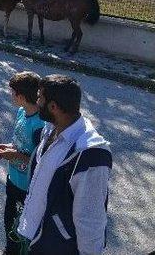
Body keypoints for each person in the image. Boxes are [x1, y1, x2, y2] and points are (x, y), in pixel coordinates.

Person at [16, 75, 112, 255]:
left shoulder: (90, 154)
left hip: (57, 246)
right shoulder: (51, 126)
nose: (36, 101)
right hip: (33, 232)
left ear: (53, 107)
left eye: (40, 98)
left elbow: (91, 218)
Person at [0, 72, 45, 255]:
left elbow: (40, 160)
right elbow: (20, 143)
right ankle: (10, 250)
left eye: (12, 92)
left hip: (27, 186)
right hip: (13, 178)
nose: (10, 95)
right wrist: (9, 147)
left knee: (23, 226)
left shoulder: (40, 126)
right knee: (9, 219)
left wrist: (14, 155)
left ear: (21, 96)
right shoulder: (22, 112)